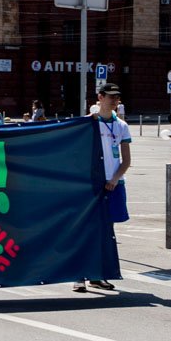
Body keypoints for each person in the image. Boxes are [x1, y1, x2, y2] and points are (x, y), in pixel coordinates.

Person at [74, 82, 131, 293]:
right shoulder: (89, 123)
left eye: (117, 97)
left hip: (114, 184)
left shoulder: (122, 125)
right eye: (110, 96)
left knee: (107, 232)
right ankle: (78, 276)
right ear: (100, 97)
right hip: (92, 184)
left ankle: (98, 276)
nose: (115, 100)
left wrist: (115, 179)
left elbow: (126, 160)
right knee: (86, 229)